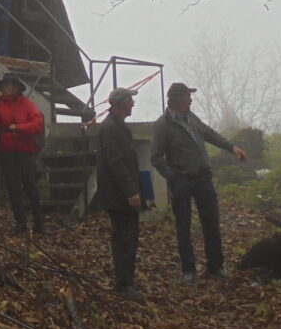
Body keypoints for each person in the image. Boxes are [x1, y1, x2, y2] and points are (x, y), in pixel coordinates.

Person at [150, 82, 248, 283]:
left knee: (211, 222)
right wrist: (173, 177)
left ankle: (216, 266)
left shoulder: (191, 118)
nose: (191, 99)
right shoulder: (163, 125)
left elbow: (209, 134)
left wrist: (232, 147)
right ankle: (188, 270)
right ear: (178, 100)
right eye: (188, 96)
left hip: (203, 178)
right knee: (183, 226)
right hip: (181, 181)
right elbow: (156, 157)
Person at [95, 86, 144, 300]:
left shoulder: (116, 126)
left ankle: (127, 280)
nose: (133, 104)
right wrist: (131, 191)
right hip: (119, 195)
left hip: (120, 193)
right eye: (131, 101)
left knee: (128, 237)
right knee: (125, 238)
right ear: (123, 104)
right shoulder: (111, 128)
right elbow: (117, 162)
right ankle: (124, 284)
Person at [0, 73, 46, 236]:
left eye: (7, 85)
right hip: (7, 151)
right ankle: (20, 223)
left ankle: (39, 223)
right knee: (13, 188)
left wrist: (18, 127)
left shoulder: (28, 105)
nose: (4, 88)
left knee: (31, 187)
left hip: (25, 152)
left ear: (16, 87)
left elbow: (37, 124)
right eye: (3, 85)